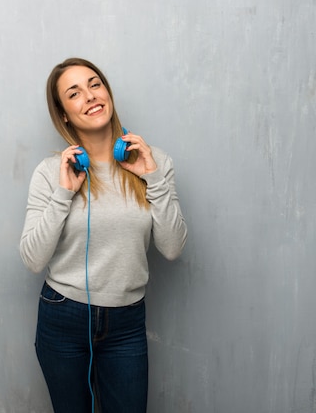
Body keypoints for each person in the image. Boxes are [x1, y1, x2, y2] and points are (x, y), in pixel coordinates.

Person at [19, 58, 188, 413]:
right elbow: (33, 259)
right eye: (74, 93)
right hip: (63, 317)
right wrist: (63, 193)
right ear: (64, 114)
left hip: (126, 322)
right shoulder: (53, 173)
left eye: (95, 84)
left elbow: (172, 248)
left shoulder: (153, 161)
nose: (90, 96)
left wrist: (152, 178)